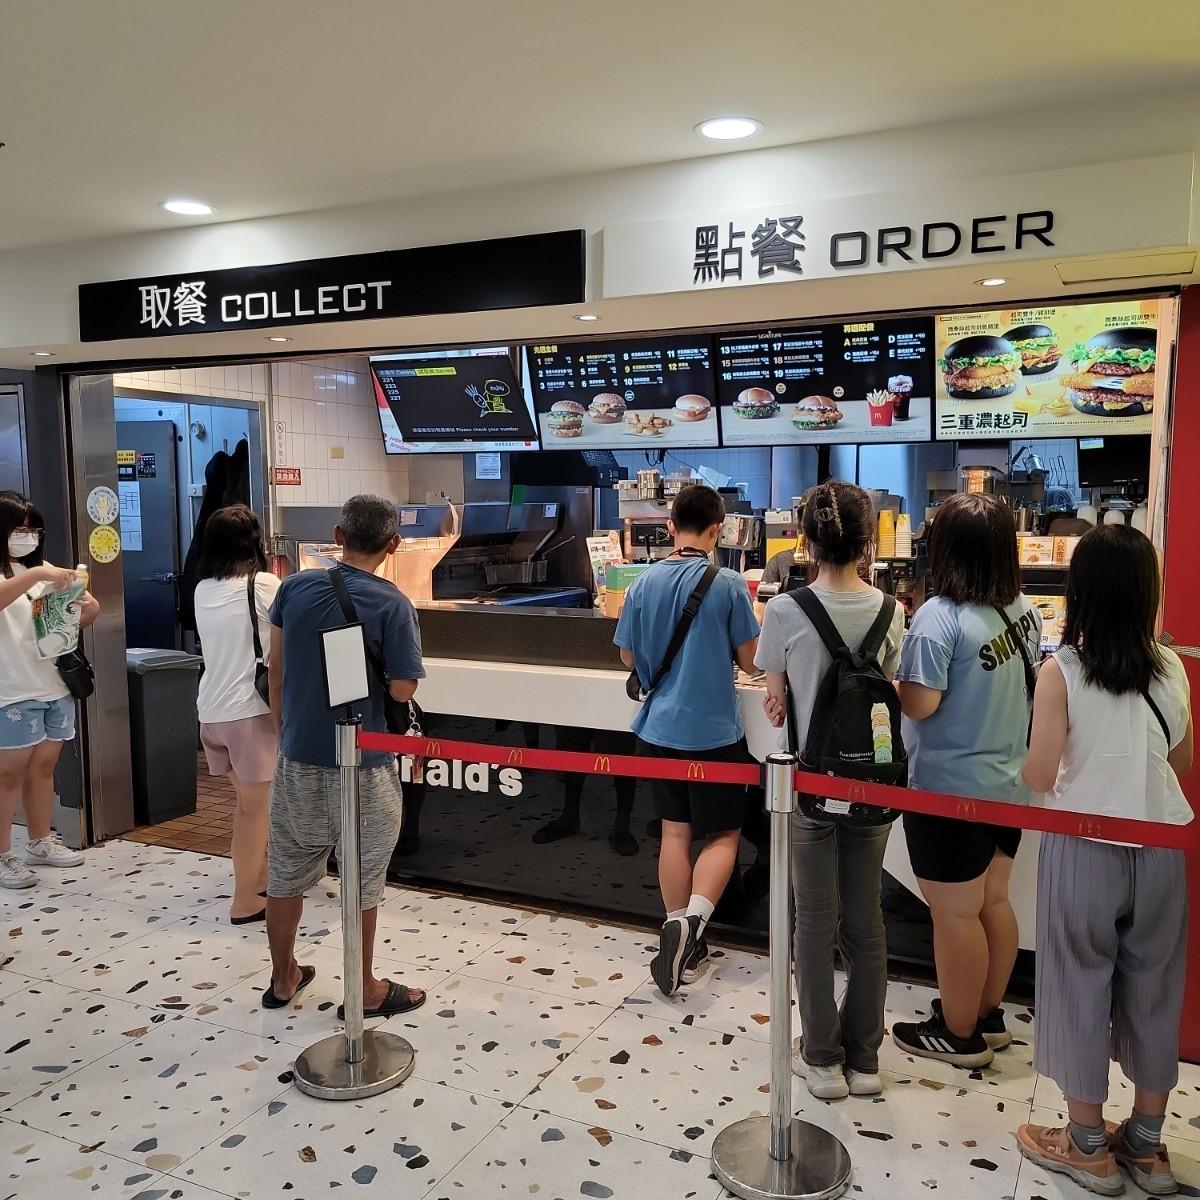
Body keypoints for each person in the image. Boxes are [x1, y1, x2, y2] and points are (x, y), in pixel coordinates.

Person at [1017, 524, 1193, 1196]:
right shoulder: (1172, 668)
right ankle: (1146, 1144)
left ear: (1080, 591)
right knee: (1155, 988)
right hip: (1162, 846)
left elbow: (1039, 774)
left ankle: (1087, 1143)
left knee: (1077, 982)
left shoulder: (1061, 671)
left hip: (1083, 844)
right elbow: (1181, 762)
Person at [756, 481, 905, 1100]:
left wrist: (783, 695)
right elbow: (888, 691)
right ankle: (864, 1060)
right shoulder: (892, 611)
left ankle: (820, 1060)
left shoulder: (785, 611)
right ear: (868, 542)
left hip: (810, 785)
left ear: (806, 542)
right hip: (871, 785)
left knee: (813, 922)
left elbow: (774, 696)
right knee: (866, 921)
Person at [891, 492, 1040, 1068]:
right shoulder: (1021, 609)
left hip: (949, 791)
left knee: (954, 914)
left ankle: (958, 1034)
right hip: (1009, 787)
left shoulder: (939, 617)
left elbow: (920, 705)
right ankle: (985, 1014)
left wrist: (892, 682)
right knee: (992, 902)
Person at [264, 495, 427, 1016]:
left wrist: (285, 729)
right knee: (362, 877)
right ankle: (364, 988)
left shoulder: (293, 588)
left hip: (298, 755)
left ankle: (283, 977)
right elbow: (402, 688)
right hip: (363, 762)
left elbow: (276, 667)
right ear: (393, 544)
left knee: (286, 871)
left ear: (337, 536)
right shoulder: (392, 604)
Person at [615, 484, 759, 997]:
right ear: (719, 529)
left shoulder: (643, 581)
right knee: (723, 835)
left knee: (675, 833)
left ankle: (679, 936)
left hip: (659, 729)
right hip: (713, 732)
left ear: (670, 526)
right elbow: (750, 661)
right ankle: (691, 929)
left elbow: (628, 657)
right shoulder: (729, 584)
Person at [0, 491, 99, 888]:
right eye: (18, 529)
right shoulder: (35, 574)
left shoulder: (43, 571)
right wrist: (38, 575)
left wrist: (86, 608)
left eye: (33, 530)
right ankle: (2, 855)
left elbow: (72, 621)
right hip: (11, 690)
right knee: (7, 774)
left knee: (43, 768)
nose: (27, 537)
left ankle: (39, 841)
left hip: (54, 685)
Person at [193, 504, 280, 924]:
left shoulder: (202, 588)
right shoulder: (263, 585)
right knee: (254, 809)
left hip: (211, 712)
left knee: (248, 805)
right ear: (255, 542)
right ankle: (245, 900)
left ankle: (259, 879)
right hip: (249, 713)